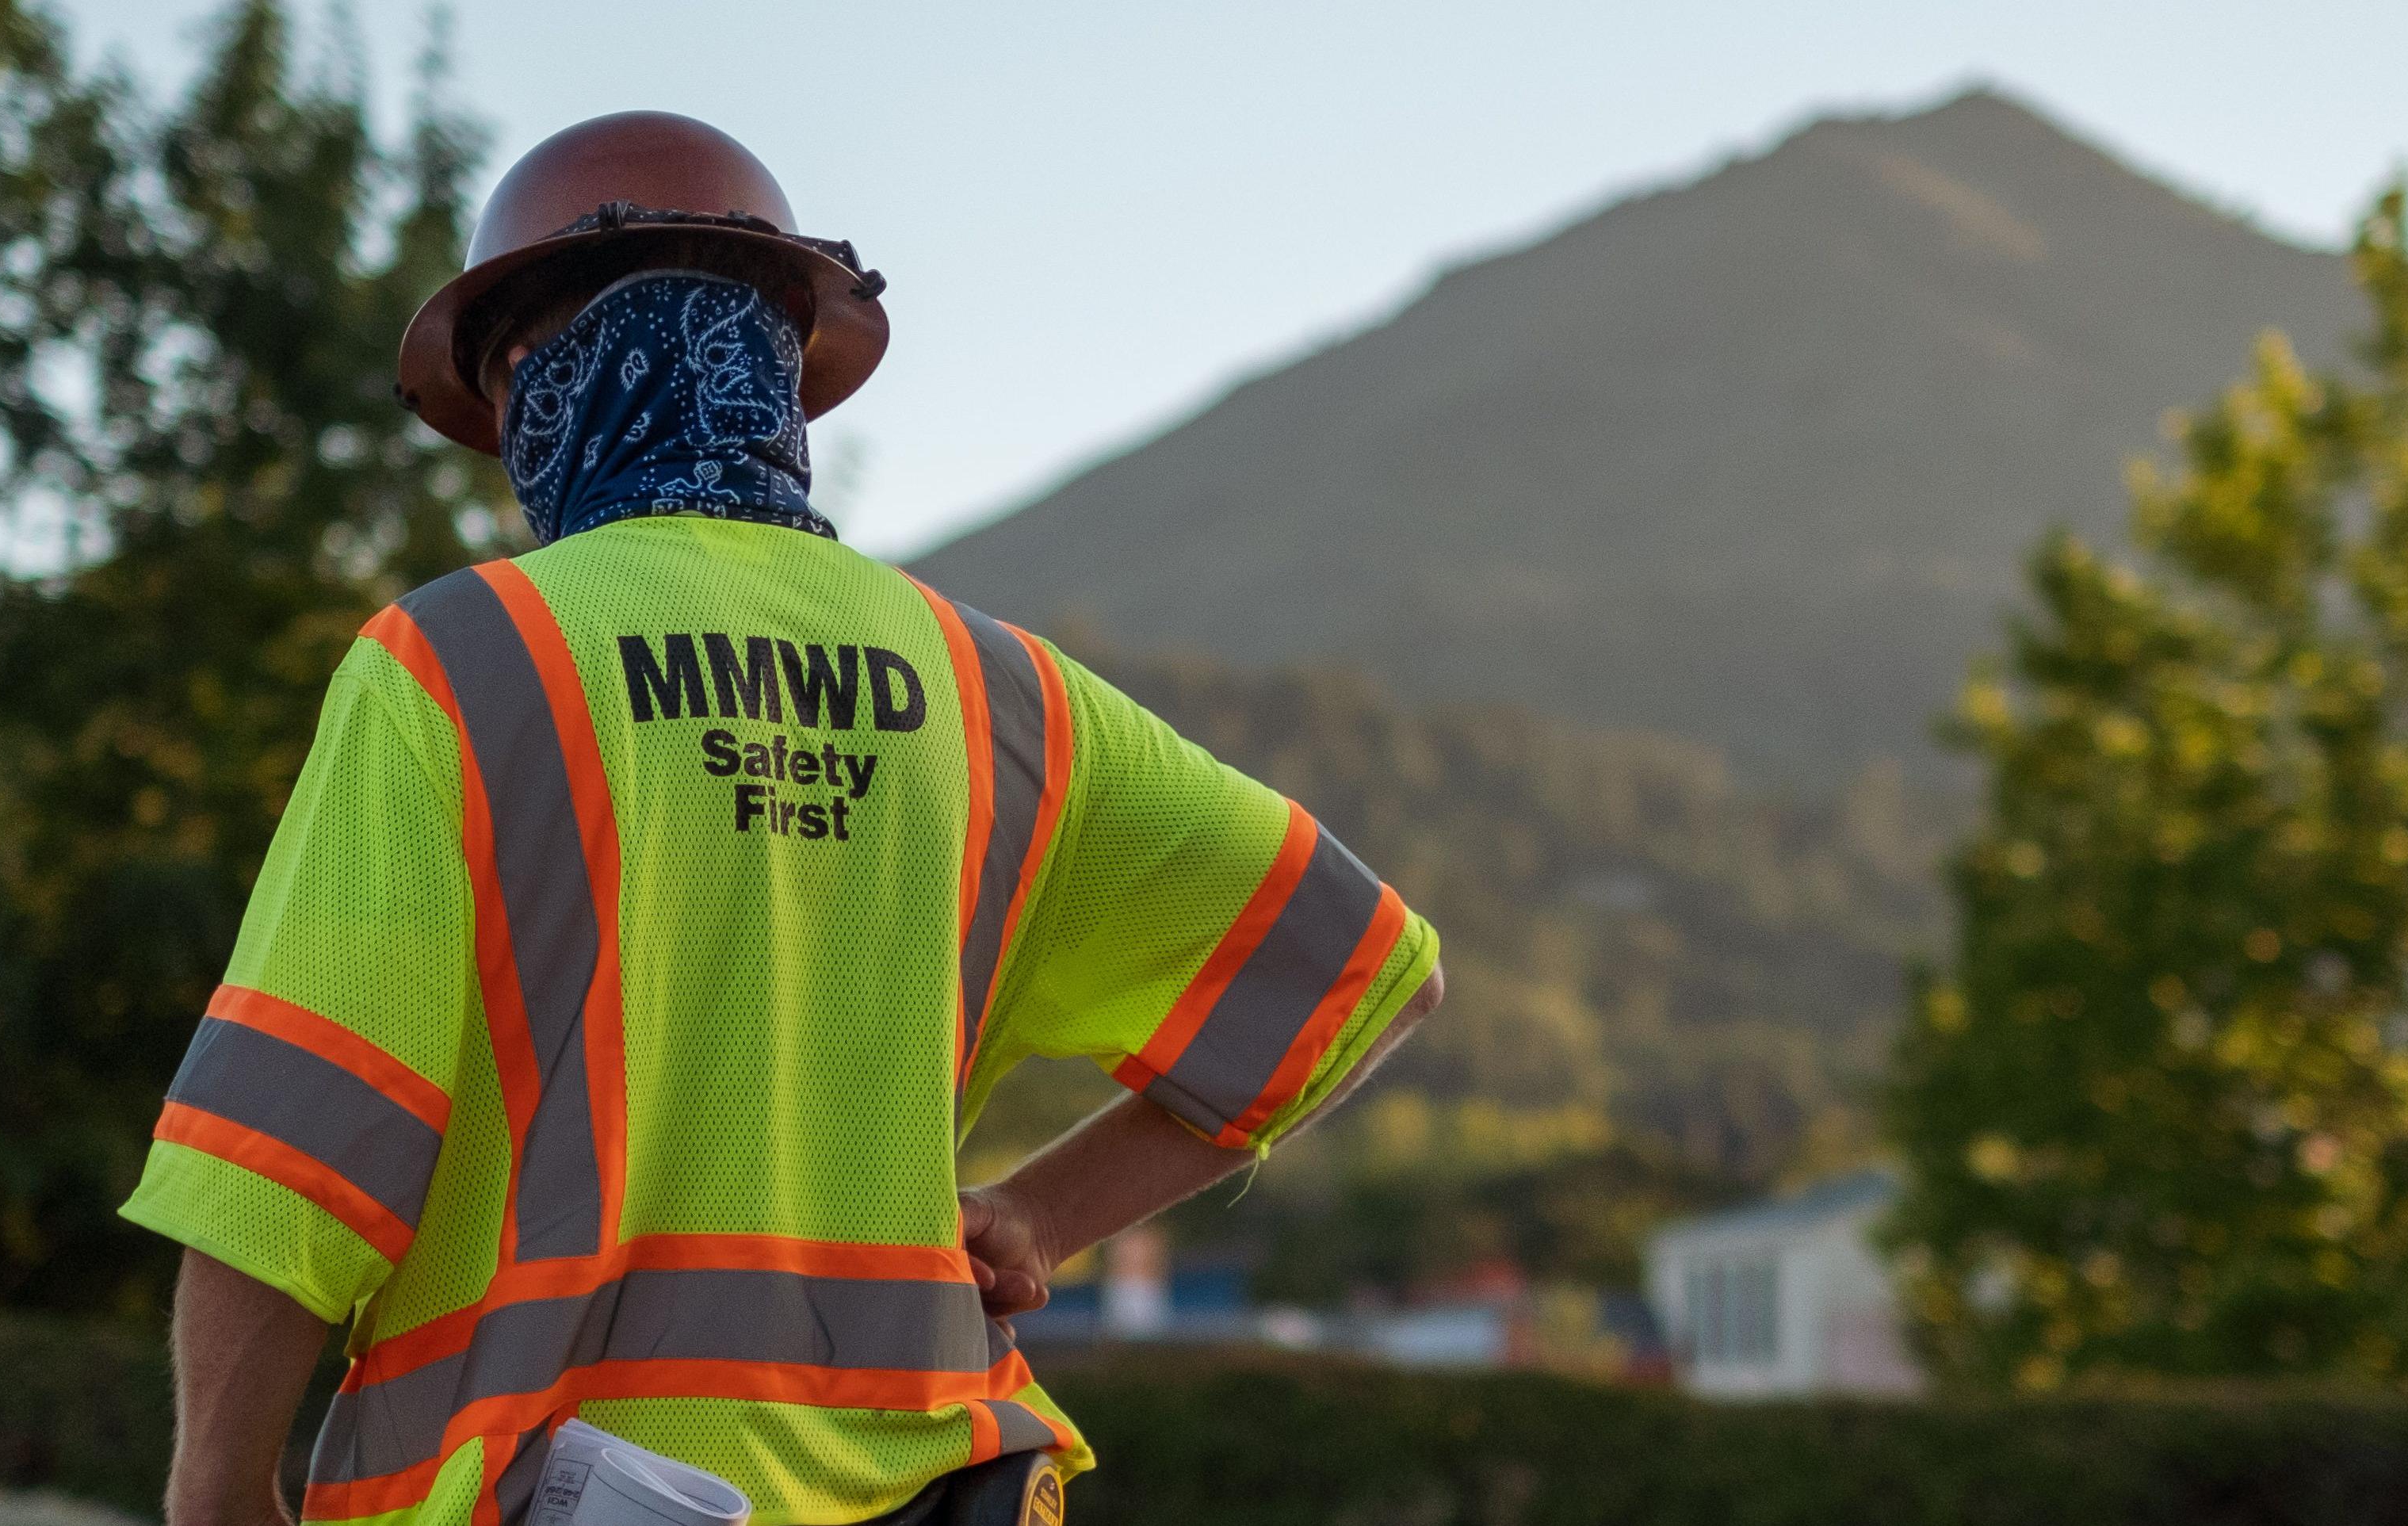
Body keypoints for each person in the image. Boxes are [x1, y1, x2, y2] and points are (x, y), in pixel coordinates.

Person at [125, 111, 1445, 1526]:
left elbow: (300, 1138)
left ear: (525, 377)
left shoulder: (461, 662)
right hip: (946, 1487)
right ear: (784, 370)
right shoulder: (997, 693)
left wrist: (219, 1494)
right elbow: (1364, 966)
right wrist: (1044, 1214)